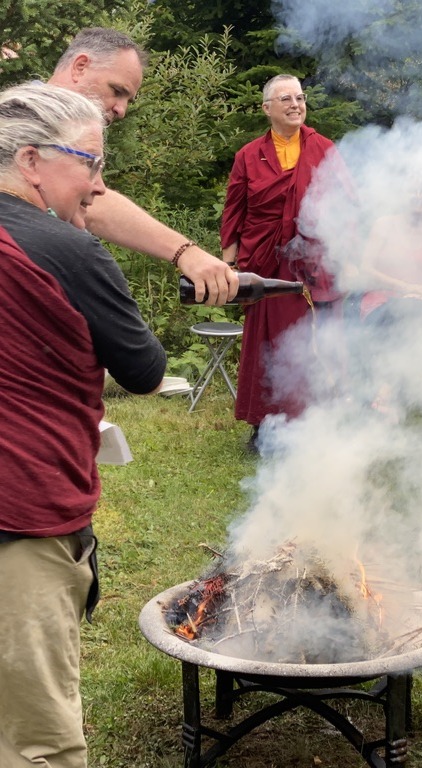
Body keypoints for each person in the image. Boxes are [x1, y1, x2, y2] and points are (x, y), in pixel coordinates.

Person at [0, 83, 167, 767]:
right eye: (91, 163)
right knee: (41, 741)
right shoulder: (68, 252)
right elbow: (145, 369)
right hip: (24, 510)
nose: (100, 187)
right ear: (33, 159)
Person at [47, 27, 237, 304]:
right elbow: (93, 208)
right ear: (80, 67)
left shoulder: (70, 134)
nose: (121, 110)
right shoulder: (22, 123)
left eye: (128, 100)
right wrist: (185, 252)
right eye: (117, 91)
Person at [220, 74, 349, 445]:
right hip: (265, 265)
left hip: (313, 265)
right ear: (267, 109)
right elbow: (235, 211)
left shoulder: (324, 149)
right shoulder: (248, 155)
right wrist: (229, 265)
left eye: (300, 97)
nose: (296, 104)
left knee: (314, 341)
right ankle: (265, 426)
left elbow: (347, 205)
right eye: (286, 99)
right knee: (267, 344)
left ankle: (317, 423)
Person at [359, 189, 422, 414]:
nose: (420, 196)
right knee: (403, 314)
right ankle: (391, 395)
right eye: (414, 190)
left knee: (412, 312)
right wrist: (404, 288)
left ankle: (384, 396)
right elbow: (366, 268)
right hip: (380, 303)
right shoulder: (383, 225)